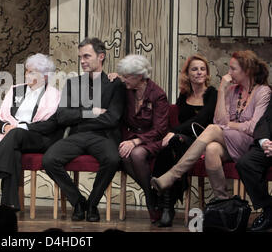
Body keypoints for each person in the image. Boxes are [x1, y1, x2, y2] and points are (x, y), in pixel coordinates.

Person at [151, 50, 271, 203]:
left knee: (212, 129)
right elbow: (220, 121)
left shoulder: (263, 91)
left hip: (250, 145)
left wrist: (231, 125)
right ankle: (223, 201)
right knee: (212, 149)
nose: (229, 73)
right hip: (230, 141)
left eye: (233, 69)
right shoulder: (233, 91)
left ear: (246, 70)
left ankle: (173, 175)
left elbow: (254, 128)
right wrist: (222, 90)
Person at [42, 37, 125, 222]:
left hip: (102, 137)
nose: (82, 61)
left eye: (87, 56)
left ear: (101, 56)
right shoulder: (73, 84)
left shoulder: (115, 84)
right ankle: (78, 202)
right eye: (80, 57)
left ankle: (92, 204)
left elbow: (113, 118)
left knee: (112, 159)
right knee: (49, 159)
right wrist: (91, 112)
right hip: (77, 135)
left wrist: (79, 116)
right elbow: (62, 116)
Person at [0, 53, 62, 211]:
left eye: (32, 72)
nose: (27, 74)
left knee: (16, 134)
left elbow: (51, 125)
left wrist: (21, 127)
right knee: (14, 151)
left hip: (40, 139)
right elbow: (1, 120)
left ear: (45, 76)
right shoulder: (16, 91)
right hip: (13, 138)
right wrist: (6, 127)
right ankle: (10, 203)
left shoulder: (54, 95)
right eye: (27, 71)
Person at [153, 54, 217, 227]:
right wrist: (174, 135)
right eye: (194, 69)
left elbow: (203, 119)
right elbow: (180, 120)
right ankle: (167, 206)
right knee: (168, 147)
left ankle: (166, 202)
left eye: (202, 69)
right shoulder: (184, 95)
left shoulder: (212, 93)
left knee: (174, 141)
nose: (199, 73)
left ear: (207, 73)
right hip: (183, 142)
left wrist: (173, 132)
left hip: (205, 142)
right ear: (187, 74)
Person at [115, 54, 169, 223]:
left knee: (137, 154)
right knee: (124, 154)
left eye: (127, 76)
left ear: (139, 76)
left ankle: (150, 199)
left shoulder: (158, 94)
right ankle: (151, 192)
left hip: (154, 138)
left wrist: (136, 141)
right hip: (131, 136)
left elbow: (160, 129)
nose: (123, 80)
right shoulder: (126, 91)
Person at [236, 96, 272, 231]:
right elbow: (265, 120)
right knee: (246, 163)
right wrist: (264, 142)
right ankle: (269, 209)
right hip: (270, 146)